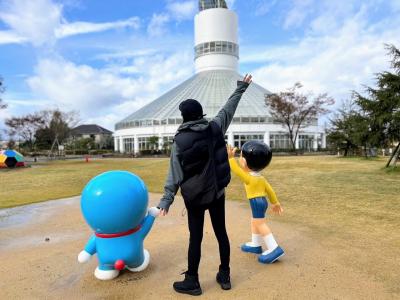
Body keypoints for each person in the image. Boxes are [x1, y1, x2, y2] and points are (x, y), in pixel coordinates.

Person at [158, 74, 253, 296]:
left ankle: (192, 281)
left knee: (196, 237)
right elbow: (229, 108)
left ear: (184, 117)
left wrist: (167, 199)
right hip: (217, 192)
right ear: (200, 113)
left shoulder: (180, 140)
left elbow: (175, 172)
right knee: (222, 233)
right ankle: (225, 275)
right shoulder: (215, 127)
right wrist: (241, 88)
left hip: (195, 197)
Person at [227, 142, 285, 264]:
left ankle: (274, 248)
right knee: (255, 222)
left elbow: (237, 171)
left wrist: (231, 159)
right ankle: (256, 244)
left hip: (256, 203)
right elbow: (270, 191)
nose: (240, 159)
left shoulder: (249, 178)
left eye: (241, 157)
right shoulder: (260, 178)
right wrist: (275, 202)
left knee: (260, 224)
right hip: (262, 202)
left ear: (248, 162)